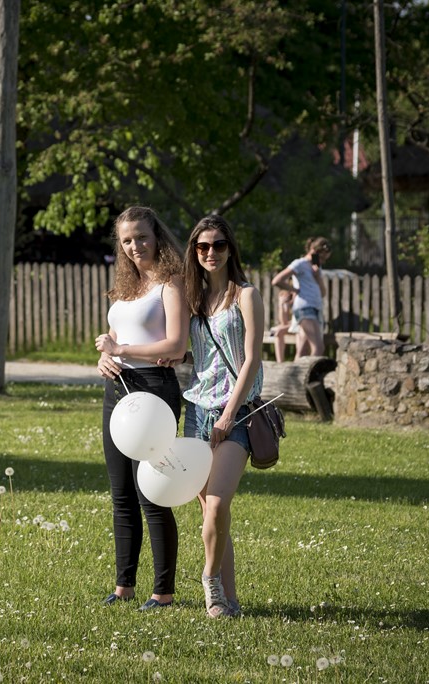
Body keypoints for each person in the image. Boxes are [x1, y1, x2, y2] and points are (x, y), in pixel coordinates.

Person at [94, 206, 189, 611]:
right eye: (127, 240)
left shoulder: (171, 282)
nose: (135, 246)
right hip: (117, 389)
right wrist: (105, 355)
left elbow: (176, 345)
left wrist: (122, 349)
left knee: (151, 493)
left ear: (157, 236)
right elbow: (116, 335)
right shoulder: (126, 285)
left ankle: (163, 592)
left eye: (142, 237)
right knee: (121, 495)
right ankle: (124, 587)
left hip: (154, 389)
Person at [181, 214, 264, 618]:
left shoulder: (246, 295)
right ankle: (227, 601)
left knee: (216, 505)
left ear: (230, 249)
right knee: (213, 515)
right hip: (197, 410)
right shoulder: (193, 299)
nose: (210, 252)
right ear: (194, 252)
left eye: (217, 244)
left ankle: (209, 579)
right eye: (202, 246)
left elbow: (252, 358)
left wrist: (229, 414)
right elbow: (190, 351)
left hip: (236, 413)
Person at [271, 237, 330, 359]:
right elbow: (277, 280)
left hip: (316, 308)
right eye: (322, 257)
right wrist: (295, 290)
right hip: (304, 308)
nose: (322, 260)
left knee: (303, 350)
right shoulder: (299, 264)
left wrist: (317, 276)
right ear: (314, 251)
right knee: (318, 347)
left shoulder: (316, 267)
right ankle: (310, 371)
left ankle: (294, 371)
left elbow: (323, 293)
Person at [268, 289, 295, 363]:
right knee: (275, 331)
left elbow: (288, 322)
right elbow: (283, 322)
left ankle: (280, 362)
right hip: (290, 326)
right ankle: (280, 361)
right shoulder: (286, 304)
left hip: (297, 326)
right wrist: (281, 304)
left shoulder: (297, 302)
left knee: (278, 331)